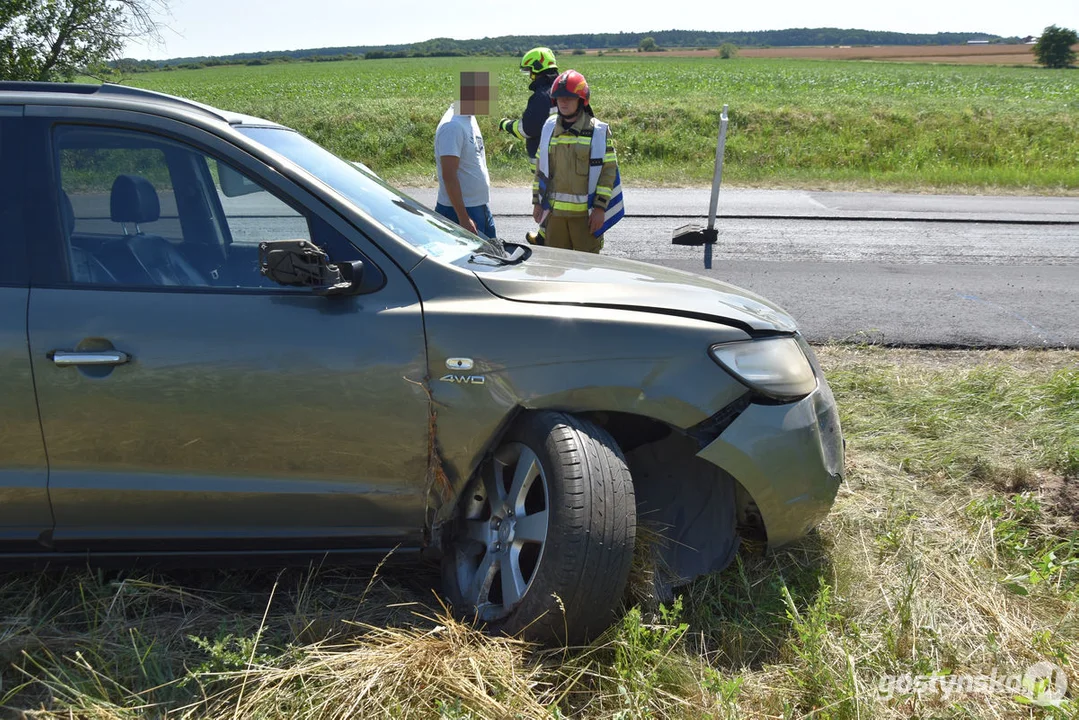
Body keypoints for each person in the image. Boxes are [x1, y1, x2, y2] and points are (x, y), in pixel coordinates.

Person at [531, 69, 624, 253]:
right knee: (556, 270)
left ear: (581, 100)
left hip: (585, 219)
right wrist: (537, 201)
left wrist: (600, 208)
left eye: (569, 97)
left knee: (585, 273)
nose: (563, 101)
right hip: (554, 217)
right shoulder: (549, 127)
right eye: (559, 97)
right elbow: (540, 169)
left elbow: (608, 172)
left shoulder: (598, 131)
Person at [434, 71, 497, 239]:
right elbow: (449, 175)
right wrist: (463, 217)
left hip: (478, 206)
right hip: (459, 211)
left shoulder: (468, 117)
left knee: (491, 258)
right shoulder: (452, 127)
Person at [497, 47, 559, 164]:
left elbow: (527, 129)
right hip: (565, 157)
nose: (530, 76)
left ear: (537, 68)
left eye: (530, 71)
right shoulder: (565, 91)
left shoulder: (541, 96)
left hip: (545, 164)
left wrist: (505, 124)